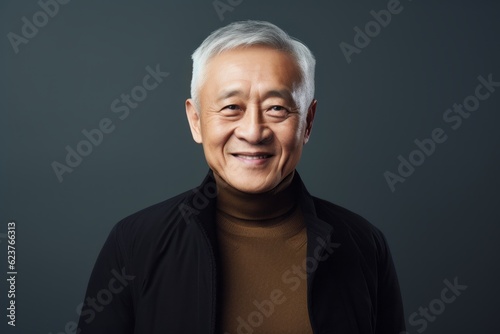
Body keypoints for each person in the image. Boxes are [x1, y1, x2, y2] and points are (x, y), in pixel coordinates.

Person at [77, 20, 406, 334]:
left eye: (277, 108)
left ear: (307, 122)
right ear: (195, 121)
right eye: (231, 107)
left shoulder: (362, 244)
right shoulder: (135, 242)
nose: (253, 132)